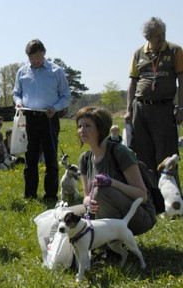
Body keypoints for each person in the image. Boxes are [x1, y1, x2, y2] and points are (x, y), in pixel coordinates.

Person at [76, 106, 155, 235]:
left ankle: (110, 245)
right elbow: (86, 196)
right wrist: (88, 202)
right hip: (103, 211)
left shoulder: (120, 152)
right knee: (63, 215)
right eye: (79, 126)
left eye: (87, 126)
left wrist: (112, 183)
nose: (81, 130)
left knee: (102, 191)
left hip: (139, 215)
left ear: (101, 128)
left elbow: (142, 195)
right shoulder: (84, 159)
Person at [125, 17, 183, 186]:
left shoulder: (175, 51)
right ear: (148, 37)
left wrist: (181, 107)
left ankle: (172, 199)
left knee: (166, 154)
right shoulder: (138, 53)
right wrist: (129, 109)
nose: (162, 37)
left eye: (163, 33)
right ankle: (151, 197)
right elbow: (133, 82)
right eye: (158, 35)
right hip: (140, 108)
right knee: (143, 154)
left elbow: (181, 80)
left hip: (163, 109)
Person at [13, 39, 71, 203]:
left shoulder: (56, 71)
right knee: (30, 158)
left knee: (51, 157)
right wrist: (18, 102)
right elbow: (17, 93)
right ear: (28, 57)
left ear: (44, 54)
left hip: (49, 117)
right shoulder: (22, 72)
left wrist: (56, 108)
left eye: (38, 57)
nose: (36, 61)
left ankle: (51, 195)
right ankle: (30, 195)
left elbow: (66, 96)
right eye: (32, 58)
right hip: (29, 118)